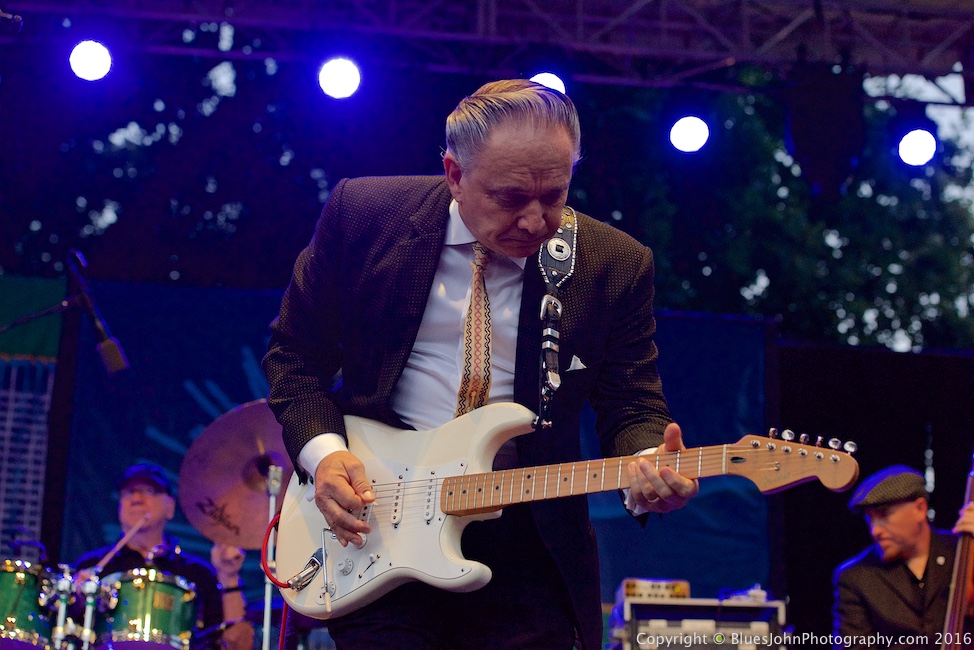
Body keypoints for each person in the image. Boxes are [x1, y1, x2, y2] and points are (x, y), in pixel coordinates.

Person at [262, 78, 699, 650]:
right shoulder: (365, 216)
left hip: (527, 540)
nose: (537, 220)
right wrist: (326, 455)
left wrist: (646, 464)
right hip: (379, 519)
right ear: (454, 174)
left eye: (556, 195)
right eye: (512, 197)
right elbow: (294, 354)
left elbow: (631, 402)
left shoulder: (611, 263)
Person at [74, 463, 254, 650]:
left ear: (170, 506)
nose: (136, 498)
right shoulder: (92, 566)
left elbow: (237, 643)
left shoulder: (198, 573)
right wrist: (74, 600)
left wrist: (229, 576)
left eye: (149, 491)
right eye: (129, 492)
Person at [833, 465, 974, 649]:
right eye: (869, 518)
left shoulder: (961, 553)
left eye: (884, 515)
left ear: (920, 508)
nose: (875, 530)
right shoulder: (856, 577)